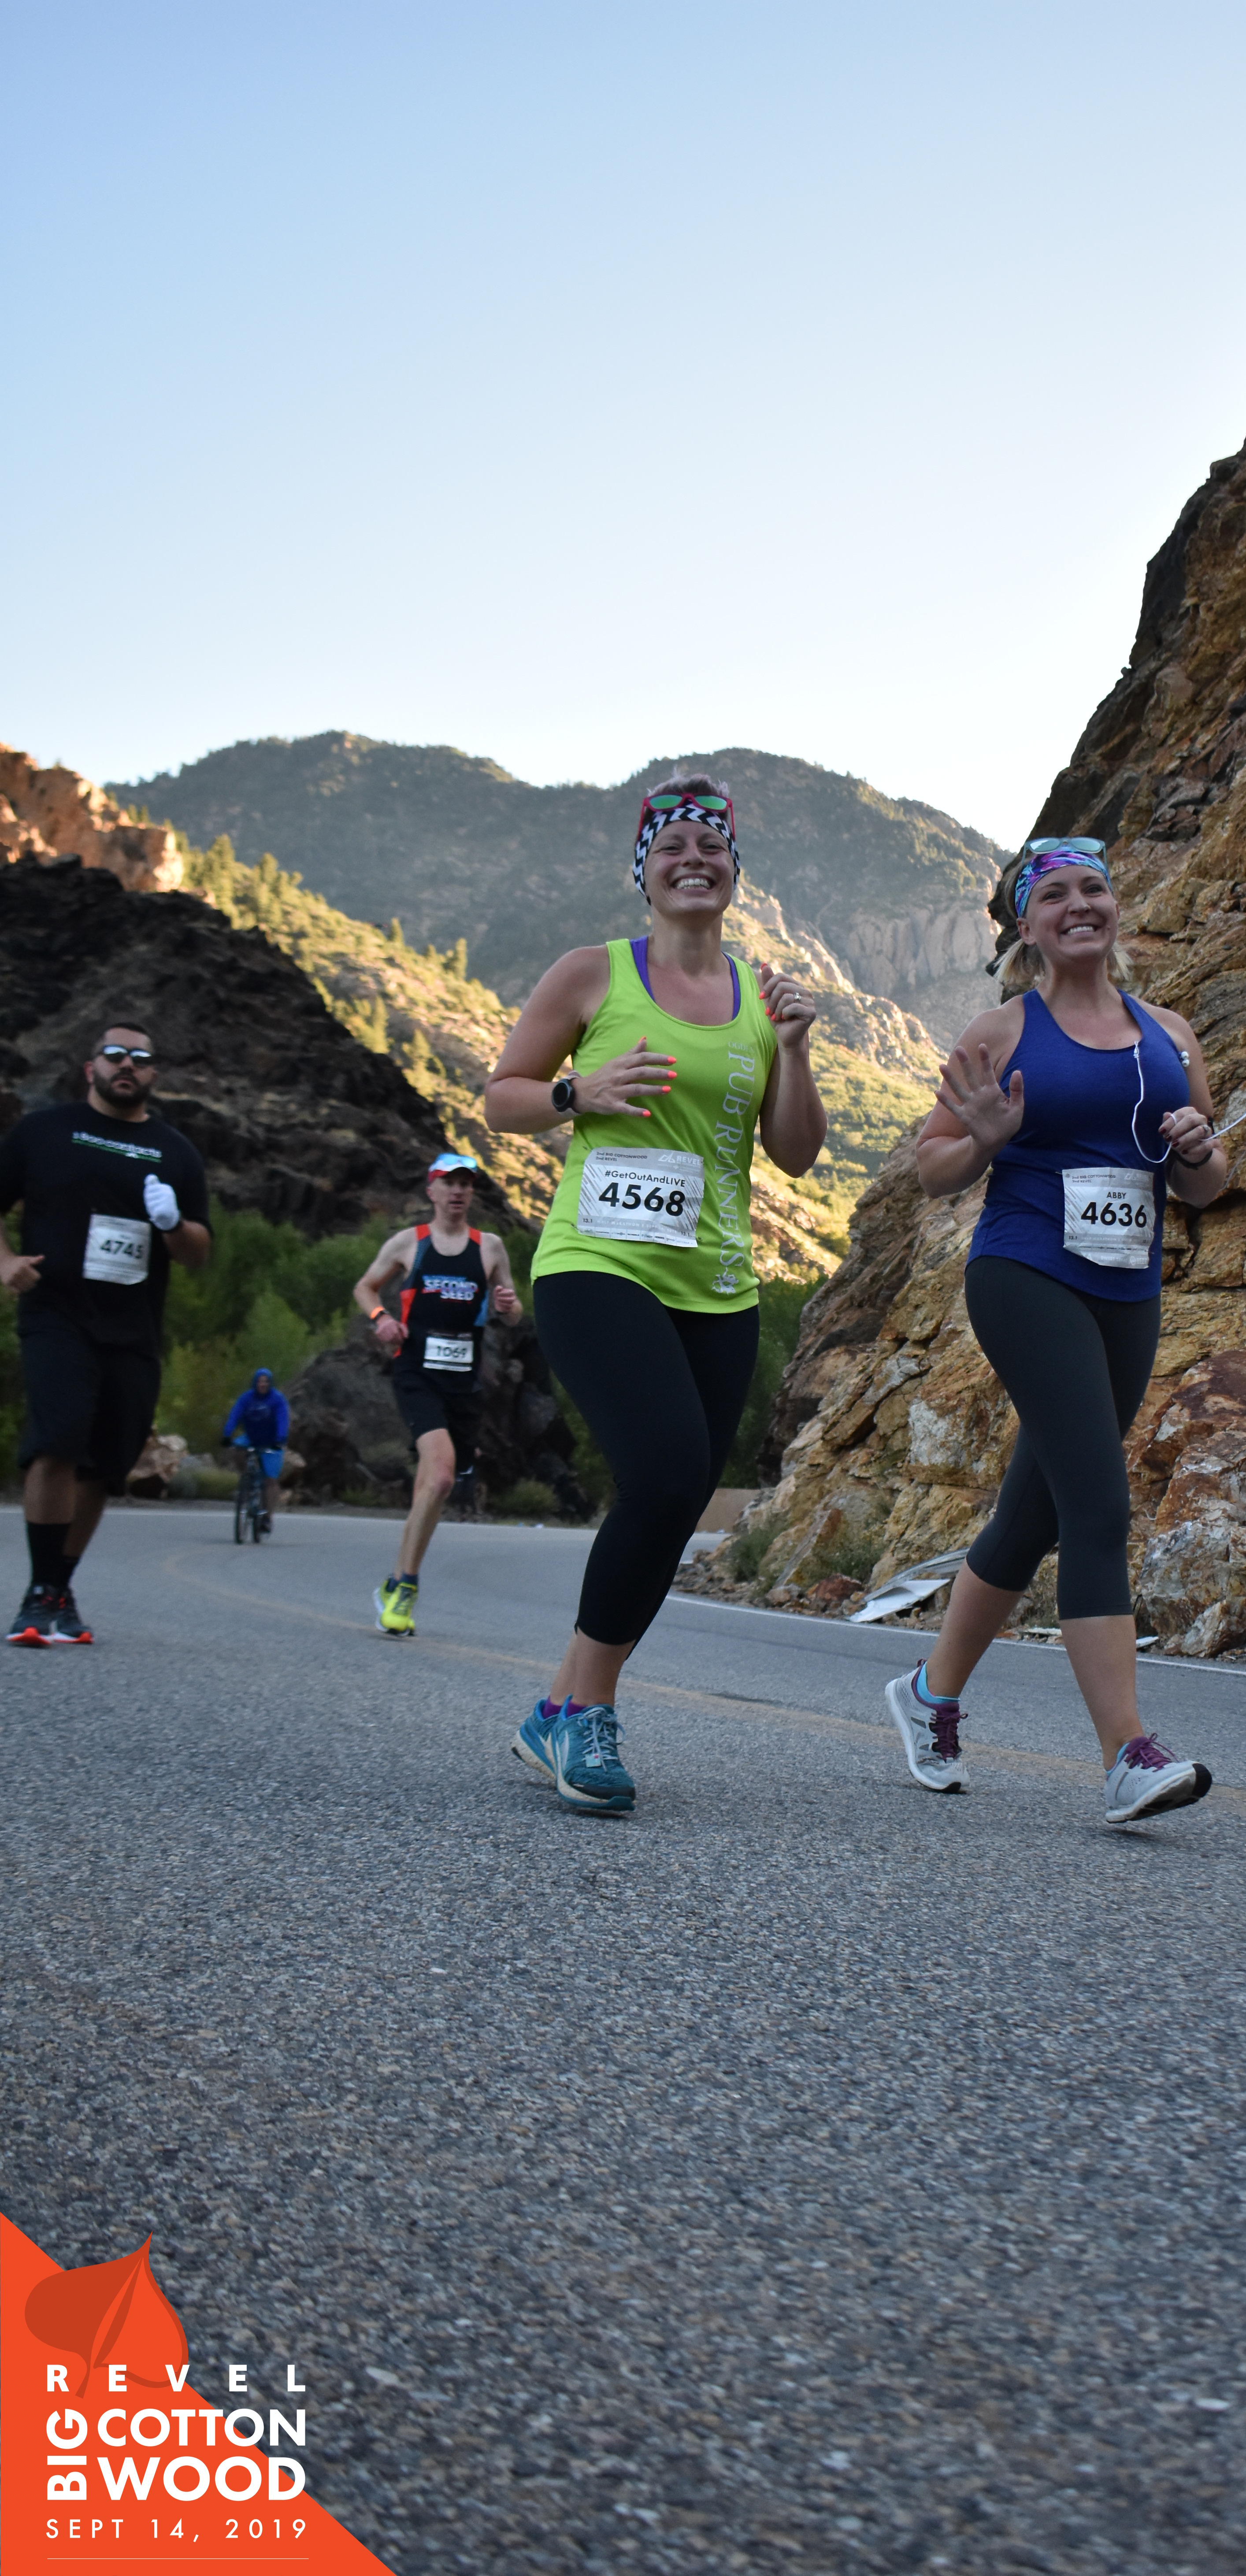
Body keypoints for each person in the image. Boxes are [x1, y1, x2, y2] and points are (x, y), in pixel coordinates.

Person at [485, 773, 826, 1816]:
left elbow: (796, 1154)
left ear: (733, 873)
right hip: (596, 1264)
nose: (693, 859)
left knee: (672, 1505)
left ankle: (557, 1707)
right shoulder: (592, 973)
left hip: (717, 1287)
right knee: (667, 1471)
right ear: (645, 870)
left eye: (712, 846)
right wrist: (574, 1092)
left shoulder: (762, 996)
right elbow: (501, 1098)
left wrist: (796, 1051)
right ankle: (588, 1715)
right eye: (672, 844)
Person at [883, 836, 1232, 1825]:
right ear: (1027, 927)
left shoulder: (1170, 1035)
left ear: (1115, 908)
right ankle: (1127, 1753)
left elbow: (1207, 1185)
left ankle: (928, 1694)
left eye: (1094, 890)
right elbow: (933, 1169)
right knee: (1097, 1505)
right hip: (1025, 1272)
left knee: (1032, 1516)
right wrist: (984, 1140)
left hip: (1126, 1287)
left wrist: (1197, 1151)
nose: (1079, 906)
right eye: (1055, 896)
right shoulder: (999, 1033)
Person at [0, 1021, 211, 1646]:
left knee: (106, 1463)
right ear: (91, 1066)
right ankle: (40, 1594)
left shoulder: (175, 1151)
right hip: (57, 1314)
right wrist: (5, 1262)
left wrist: (173, 1224)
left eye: (140, 1058)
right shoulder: (43, 1132)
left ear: (154, 1073)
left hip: (133, 1326)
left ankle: (60, 1589)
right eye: (115, 1054)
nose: (127, 1065)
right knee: (58, 1441)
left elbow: (197, 1253)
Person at [352, 1151, 523, 1635]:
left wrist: (508, 1304)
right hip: (416, 1374)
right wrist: (381, 1319)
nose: (458, 1191)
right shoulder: (410, 1242)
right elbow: (366, 1288)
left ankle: (394, 1582)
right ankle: (407, 1587)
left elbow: (512, 1312)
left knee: (432, 1486)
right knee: (443, 1476)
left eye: (465, 1183)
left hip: (464, 1382)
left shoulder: (490, 1248)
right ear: (432, 1190)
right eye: (449, 1182)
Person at [222, 1366, 289, 1529]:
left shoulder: (277, 1400)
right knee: (237, 1449)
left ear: (270, 1383)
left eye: (266, 1382)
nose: (262, 1385)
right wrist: (227, 1434)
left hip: (272, 1441)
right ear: (255, 1383)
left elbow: (283, 1419)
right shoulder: (247, 1398)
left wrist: (280, 1439)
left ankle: (267, 1517)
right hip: (251, 1438)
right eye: (259, 1382)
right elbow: (235, 1415)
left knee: (271, 1480)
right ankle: (247, 1479)